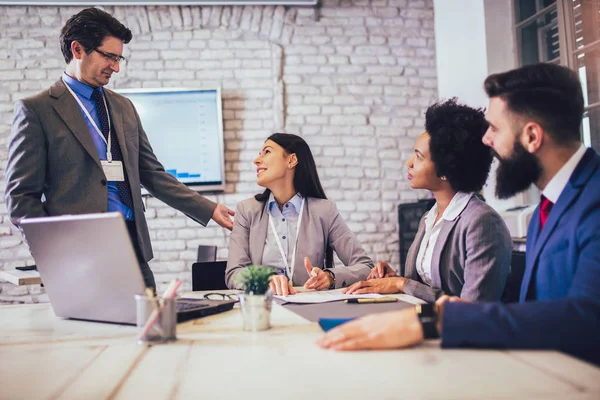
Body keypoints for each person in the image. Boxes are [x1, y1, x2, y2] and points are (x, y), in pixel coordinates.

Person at [318, 63, 600, 366]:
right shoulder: (555, 201)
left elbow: (586, 318)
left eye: (494, 128)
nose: (486, 140)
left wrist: (433, 321)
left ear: (532, 136)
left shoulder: (592, 200)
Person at [4, 8, 234, 291]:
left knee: (151, 328)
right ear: (78, 49)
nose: (116, 67)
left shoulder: (123, 107)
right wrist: (53, 252)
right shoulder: (37, 110)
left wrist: (208, 208)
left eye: (119, 58)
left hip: (131, 244)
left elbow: (153, 174)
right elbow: (20, 197)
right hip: (77, 253)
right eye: (109, 56)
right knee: (90, 335)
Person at [343, 99, 511, 303]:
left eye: (419, 157)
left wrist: (402, 284)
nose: (409, 163)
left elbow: (473, 307)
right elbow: (424, 287)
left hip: (462, 332)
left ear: (446, 170)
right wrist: (394, 279)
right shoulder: (429, 218)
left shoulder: (482, 222)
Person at [226, 133, 374, 295]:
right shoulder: (246, 210)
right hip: (264, 307)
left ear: (291, 160)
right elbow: (234, 273)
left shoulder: (325, 211)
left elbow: (366, 266)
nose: (256, 160)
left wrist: (330, 277)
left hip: (309, 307)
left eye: (267, 152)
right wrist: (263, 280)